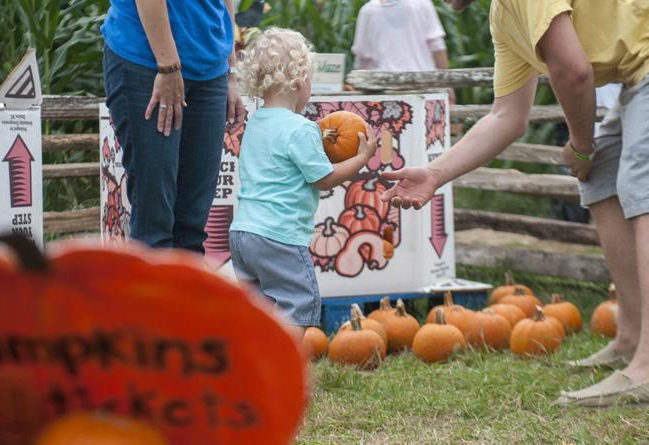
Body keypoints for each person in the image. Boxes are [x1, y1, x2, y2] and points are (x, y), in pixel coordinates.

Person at [381, 0, 649, 407]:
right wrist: (435, 174)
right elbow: (507, 115)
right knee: (602, 173)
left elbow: (573, 71)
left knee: (641, 185)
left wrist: (580, 145)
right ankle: (630, 336)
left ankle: (646, 368)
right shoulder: (504, 17)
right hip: (638, 75)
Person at [229, 28, 377, 331]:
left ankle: (251, 369)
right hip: (279, 236)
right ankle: (277, 369)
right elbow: (323, 179)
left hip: (243, 233)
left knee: (258, 310)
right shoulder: (301, 129)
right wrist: (360, 159)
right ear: (299, 82)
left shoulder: (256, 122)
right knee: (298, 304)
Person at [102, 0, 245, 253]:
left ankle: (184, 292)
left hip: (210, 67)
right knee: (154, 219)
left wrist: (230, 69)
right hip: (146, 61)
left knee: (193, 222)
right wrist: (167, 66)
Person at [351, 0, 455, 102]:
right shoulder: (422, 3)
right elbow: (437, 46)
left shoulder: (368, 11)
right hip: (423, 86)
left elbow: (363, 58)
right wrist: (448, 85)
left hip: (385, 91)